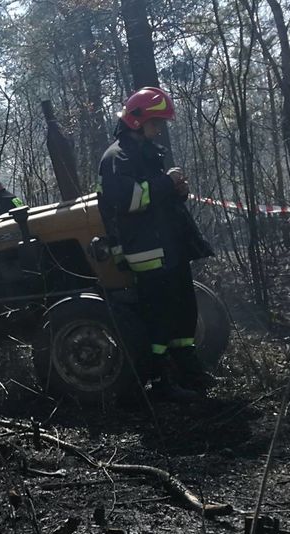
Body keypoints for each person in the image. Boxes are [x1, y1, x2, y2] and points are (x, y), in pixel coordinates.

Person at [96, 87, 215, 401]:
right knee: (159, 318)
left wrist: (177, 191)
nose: (158, 128)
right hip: (148, 252)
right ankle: (161, 383)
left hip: (169, 247)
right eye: (155, 122)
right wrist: (166, 182)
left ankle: (189, 371)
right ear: (136, 120)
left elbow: (156, 199)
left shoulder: (144, 151)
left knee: (183, 311)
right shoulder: (116, 156)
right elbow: (129, 199)